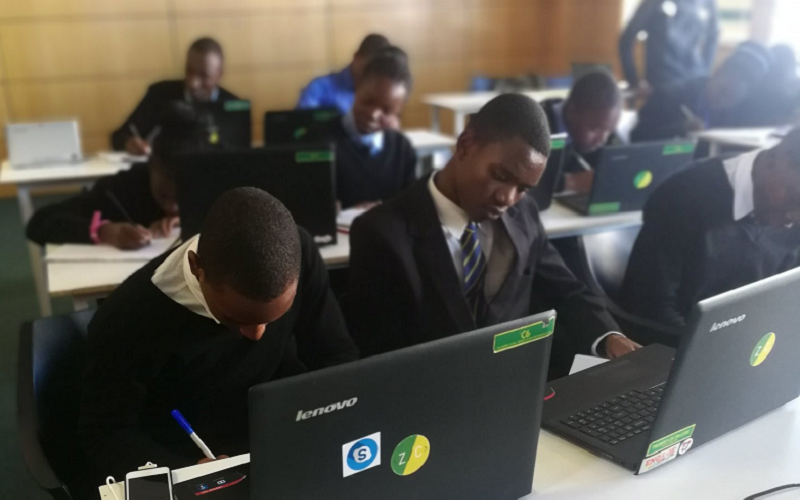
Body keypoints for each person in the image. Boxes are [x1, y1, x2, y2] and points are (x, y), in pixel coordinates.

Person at [79, 187, 358, 483]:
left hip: (275, 434)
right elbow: (105, 434)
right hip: (186, 458)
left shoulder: (299, 253)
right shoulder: (129, 319)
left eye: (273, 319)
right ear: (196, 267)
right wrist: (183, 475)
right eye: (235, 320)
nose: (256, 335)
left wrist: (329, 421)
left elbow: (335, 356)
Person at [348, 94, 640, 373]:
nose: (508, 198)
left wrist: (609, 337)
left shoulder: (523, 213)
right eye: (500, 176)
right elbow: (379, 359)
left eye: (523, 188)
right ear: (465, 145)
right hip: (426, 404)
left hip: (514, 388)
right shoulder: (380, 234)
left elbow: (564, 290)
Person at [620, 129, 800, 328]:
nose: (794, 219)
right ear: (773, 159)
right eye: (794, 199)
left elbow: (785, 302)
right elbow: (651, 308)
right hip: (673, 341)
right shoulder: (684, 195)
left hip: (749, 341)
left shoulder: (784, 211)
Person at [28, 102, 214, 249]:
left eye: (182, 198)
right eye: (164, 196)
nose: (172, 207)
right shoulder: (118, 190)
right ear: (151, 165)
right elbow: (39, 222)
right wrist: (105, 231)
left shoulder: (216, 184)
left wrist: (190, 221)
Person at [111, 37, 240, 155]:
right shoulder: (160, 94)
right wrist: (129, 143)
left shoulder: (234, 105)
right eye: (189, 71)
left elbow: (241, 149)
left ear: (220, 74)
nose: (193, 83)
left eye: (204, 76)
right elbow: (119, 136)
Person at [327, 46, 417, 208]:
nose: (373, 114)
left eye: (386, 110)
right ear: (357, 88)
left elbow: (409, 207)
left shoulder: (402, 150)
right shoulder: (322, 140)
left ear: (398, 112)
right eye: (367, 101)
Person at [631, 41, 772, 143]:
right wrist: (680, 129)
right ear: (718, 72)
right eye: (723, 91)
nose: (723, 101)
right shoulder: (669, 95)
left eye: (731, 99)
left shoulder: (739, 117)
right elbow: (637, 137)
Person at [541, 71, 623, 192]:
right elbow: (521, 179)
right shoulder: (534, 128)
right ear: (571, 111)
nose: (602, 139)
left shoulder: (601, 126)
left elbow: (622, 164)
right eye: (594, 129)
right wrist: (570, 182)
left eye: (609, 130)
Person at [620, 0, 719, 95]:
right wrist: (634, 81)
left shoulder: (707, 2)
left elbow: (713, 35)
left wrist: (704, 73)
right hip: (661, 84)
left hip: (693, 81)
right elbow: (628, 37)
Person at [296, 34, 391, 114]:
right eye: (367, 69)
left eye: (377, 71)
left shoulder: (383, 93)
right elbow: (302, 127)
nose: (371, 75)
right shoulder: (318, 88)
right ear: (356, 57)